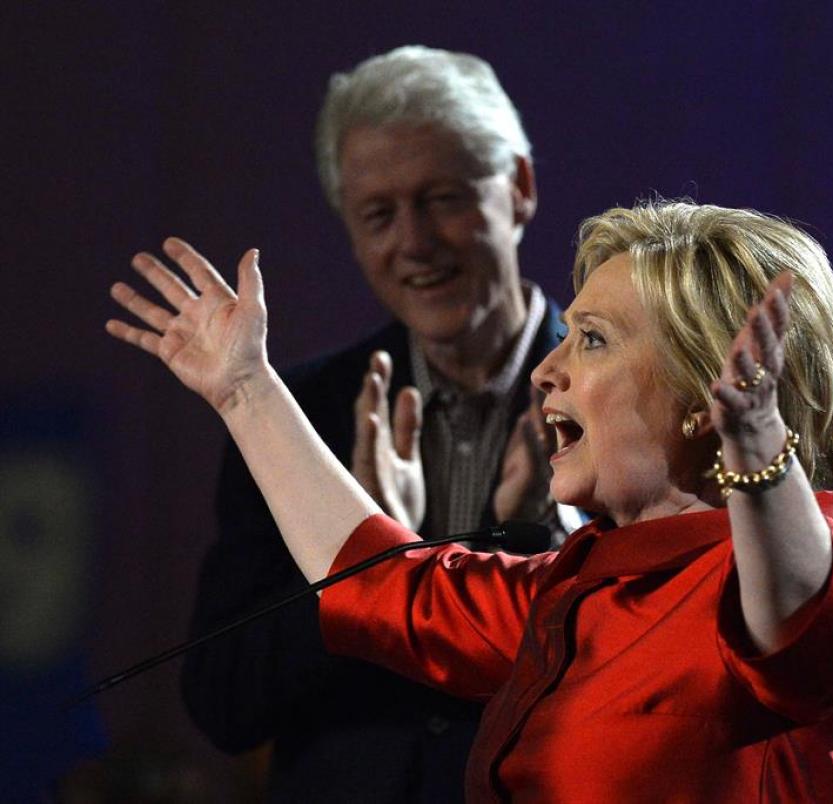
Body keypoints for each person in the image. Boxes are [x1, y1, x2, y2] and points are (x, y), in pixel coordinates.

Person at [107, 199, 833, 802]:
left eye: (592, 339)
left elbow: (795, 608)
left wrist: (753, 439)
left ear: (700, 392)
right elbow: (381, 584)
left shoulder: (813, 588)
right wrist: (246, 390)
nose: (547, 371)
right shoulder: (574, 590)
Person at [177, 46, 578, 802]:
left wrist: (548, 543)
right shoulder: (293, 415)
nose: (415, 243)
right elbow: (221, 703)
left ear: (519, 189)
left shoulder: (621, 397)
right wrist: (358, 564)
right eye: (379, 215)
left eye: (443, 200)